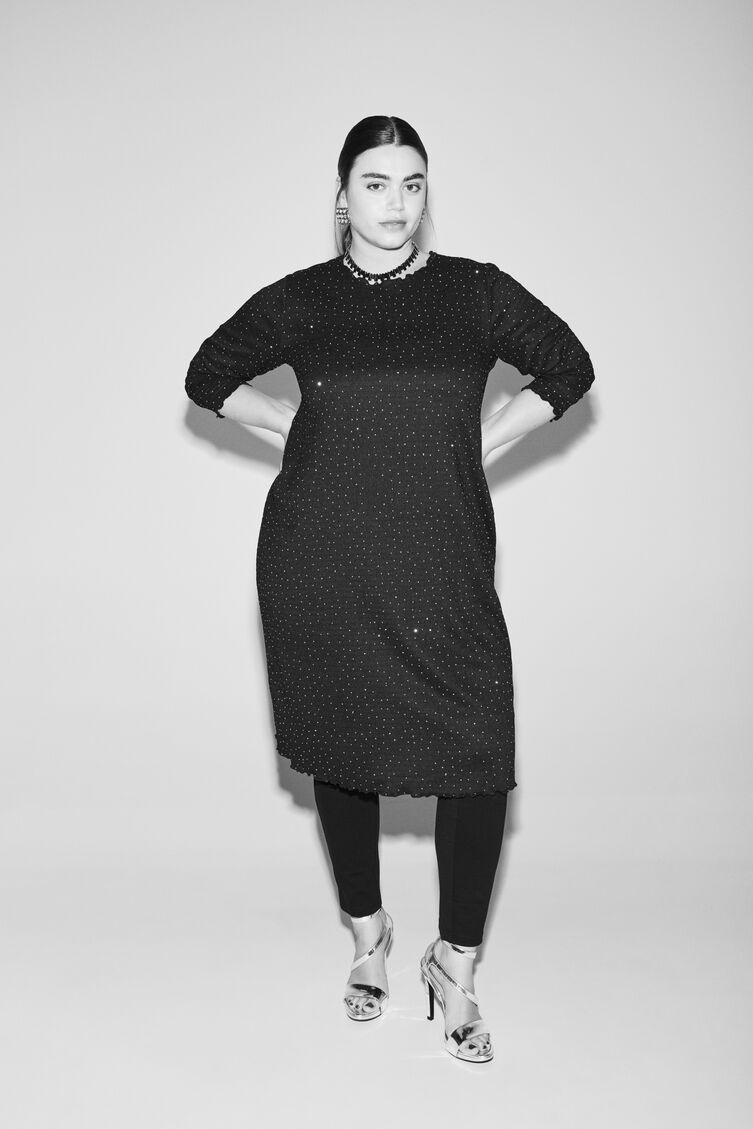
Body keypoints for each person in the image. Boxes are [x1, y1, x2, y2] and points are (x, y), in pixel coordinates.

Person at [184, 115, 595, 1064]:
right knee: (343, 745)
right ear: (342, 197)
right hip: (319, 556)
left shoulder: (473, 292)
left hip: (442, 556)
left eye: (412, 183)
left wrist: (480, 439)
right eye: (375, 183)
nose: (396, 203)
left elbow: (568, 367)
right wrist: (297, 430)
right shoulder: (303, 300)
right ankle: (368, 936)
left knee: (478, 756)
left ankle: (455, 963)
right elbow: (207, 376)